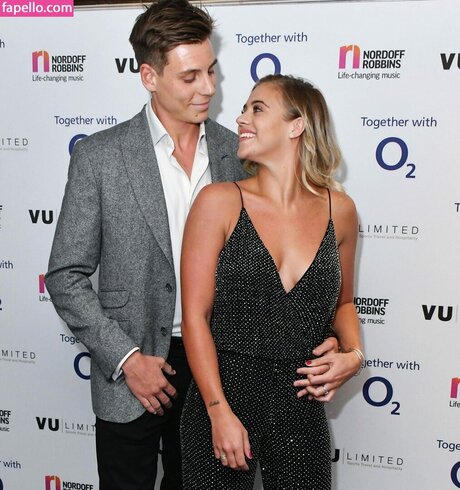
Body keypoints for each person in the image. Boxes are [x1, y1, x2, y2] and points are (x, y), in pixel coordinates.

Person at [45, 1, 249, 489]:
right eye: (190, 77)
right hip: (131, 371)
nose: (209, 88)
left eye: (211, 71)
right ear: (149, 76)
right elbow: (65, 276)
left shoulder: (237, 152)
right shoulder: (99, 157)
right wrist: (126, 359)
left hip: (217, 369)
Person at [180, 74, 364, 489]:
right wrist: (217, 411)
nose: (241, 118)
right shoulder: (218, 202)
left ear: (296, 126)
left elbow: (344, 304)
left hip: (301, 407)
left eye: (257, 109)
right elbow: (194, 317)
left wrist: (353, 354)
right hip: (224, 397)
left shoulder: (341, 211)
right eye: (244, 108)